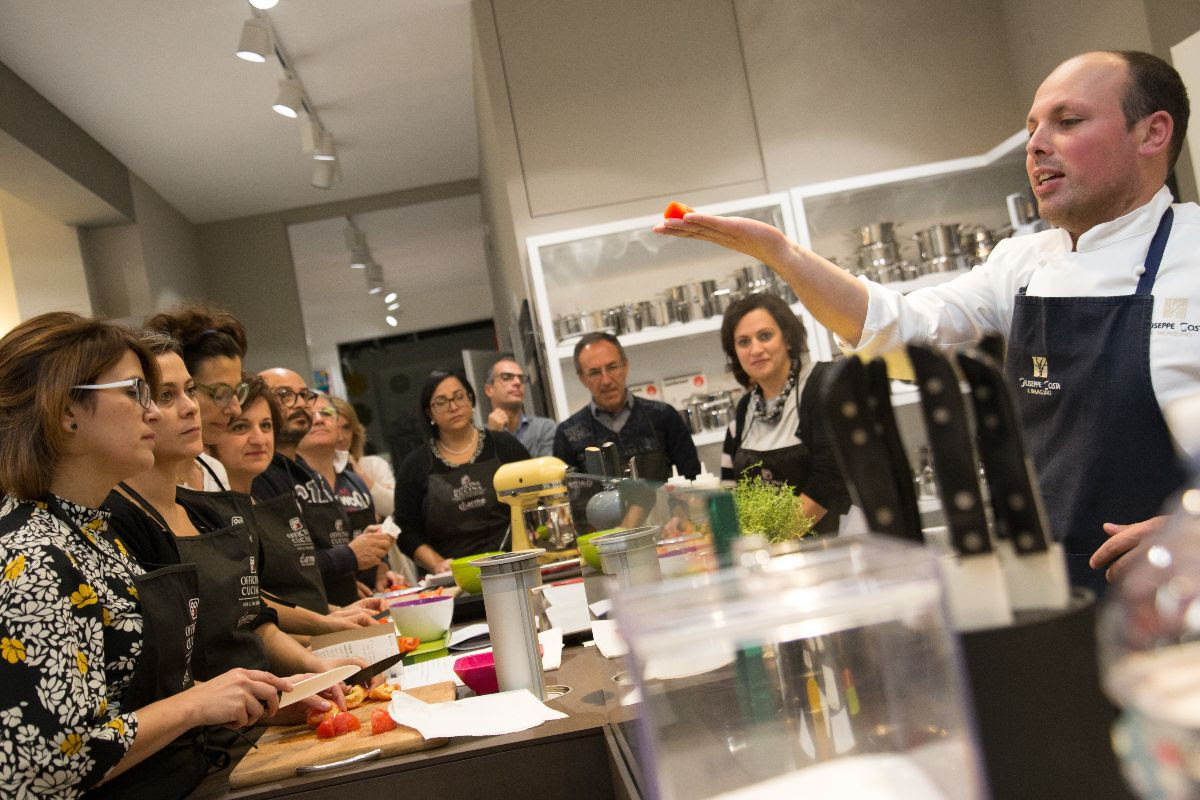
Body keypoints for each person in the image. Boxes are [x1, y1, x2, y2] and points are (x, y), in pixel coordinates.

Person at [655, 50, 1197, 593]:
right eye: (1032, 127)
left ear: (1152, 133)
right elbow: (903, 330)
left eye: (1068, 121)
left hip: (1173, 597)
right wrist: (783, 255)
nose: (1035, 145)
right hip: (1052, 584)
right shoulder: (1022, 264)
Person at [0, 312, 299, 798]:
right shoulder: (31, 555)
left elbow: (132, 696)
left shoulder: (89, 529)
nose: (154, 413)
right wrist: (196, 705)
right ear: (66, 413)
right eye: (136, 392)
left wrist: (248, 697)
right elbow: (50, 764)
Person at [101, 333, 363, 687]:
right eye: (165, 396)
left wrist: (316, 666)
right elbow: (159, 676)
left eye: (190, 390)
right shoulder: (116, 523)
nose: (191, 407)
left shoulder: (203, 509)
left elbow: (250, 617)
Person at [251, 367, 391, 605]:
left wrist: (359, 564)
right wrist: (350, 555)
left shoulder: (310, 475)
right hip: (305, 623)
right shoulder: (258, 476)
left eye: (304, 395)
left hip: (345, 612)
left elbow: (321, 550)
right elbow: (283, 569)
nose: (300, 404)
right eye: (284, 395)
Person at [718, 294, 852, 535]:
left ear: (788, 338)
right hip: (776, 551)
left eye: (765, 336)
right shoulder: (746, 406)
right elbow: (732, 492)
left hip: (835, 545)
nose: (755, 349)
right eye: (744, 342)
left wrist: (773, 540)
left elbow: (829, 480)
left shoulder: (822, 386)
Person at [393, 369, 530, 574]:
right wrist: (438, 565)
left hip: (516, 566)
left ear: (471, 400)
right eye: (441, 402)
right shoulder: (415, 465)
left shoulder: (504, 445)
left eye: (459, 397)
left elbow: (535, 497)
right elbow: (405, 531)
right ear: (429, 413)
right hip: (453, 576)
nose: (453, 406)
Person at [553, 332, 701, 482]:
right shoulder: (568, 434)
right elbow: (569, 491)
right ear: (582, 378)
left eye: (612, 367)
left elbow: (693, 480)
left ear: (625, 366)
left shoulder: (664, 416)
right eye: (594, 373)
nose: (606, 381)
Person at [298, 394, 402, 593]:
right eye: (309, 415)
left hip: (373, 598)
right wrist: (344, 583)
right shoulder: (289, 483)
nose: (318, 419)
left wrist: (381, 570)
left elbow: (368, 538)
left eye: (326, 413)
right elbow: (295, 563)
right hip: (323, 601)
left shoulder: (355, 480)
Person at [143, 305, 248, 493]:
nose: (235, 410)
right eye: (219, 393)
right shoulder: (138, 485)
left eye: (237, 391)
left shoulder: (213, 470)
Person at [482, 354, 556, 457]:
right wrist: (494, 436)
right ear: (489, 390)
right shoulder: (478, 438)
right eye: (506, 377)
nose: (517, 382)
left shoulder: (544, 428)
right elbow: (487, 467)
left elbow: (548, 467)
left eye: (521, 378)